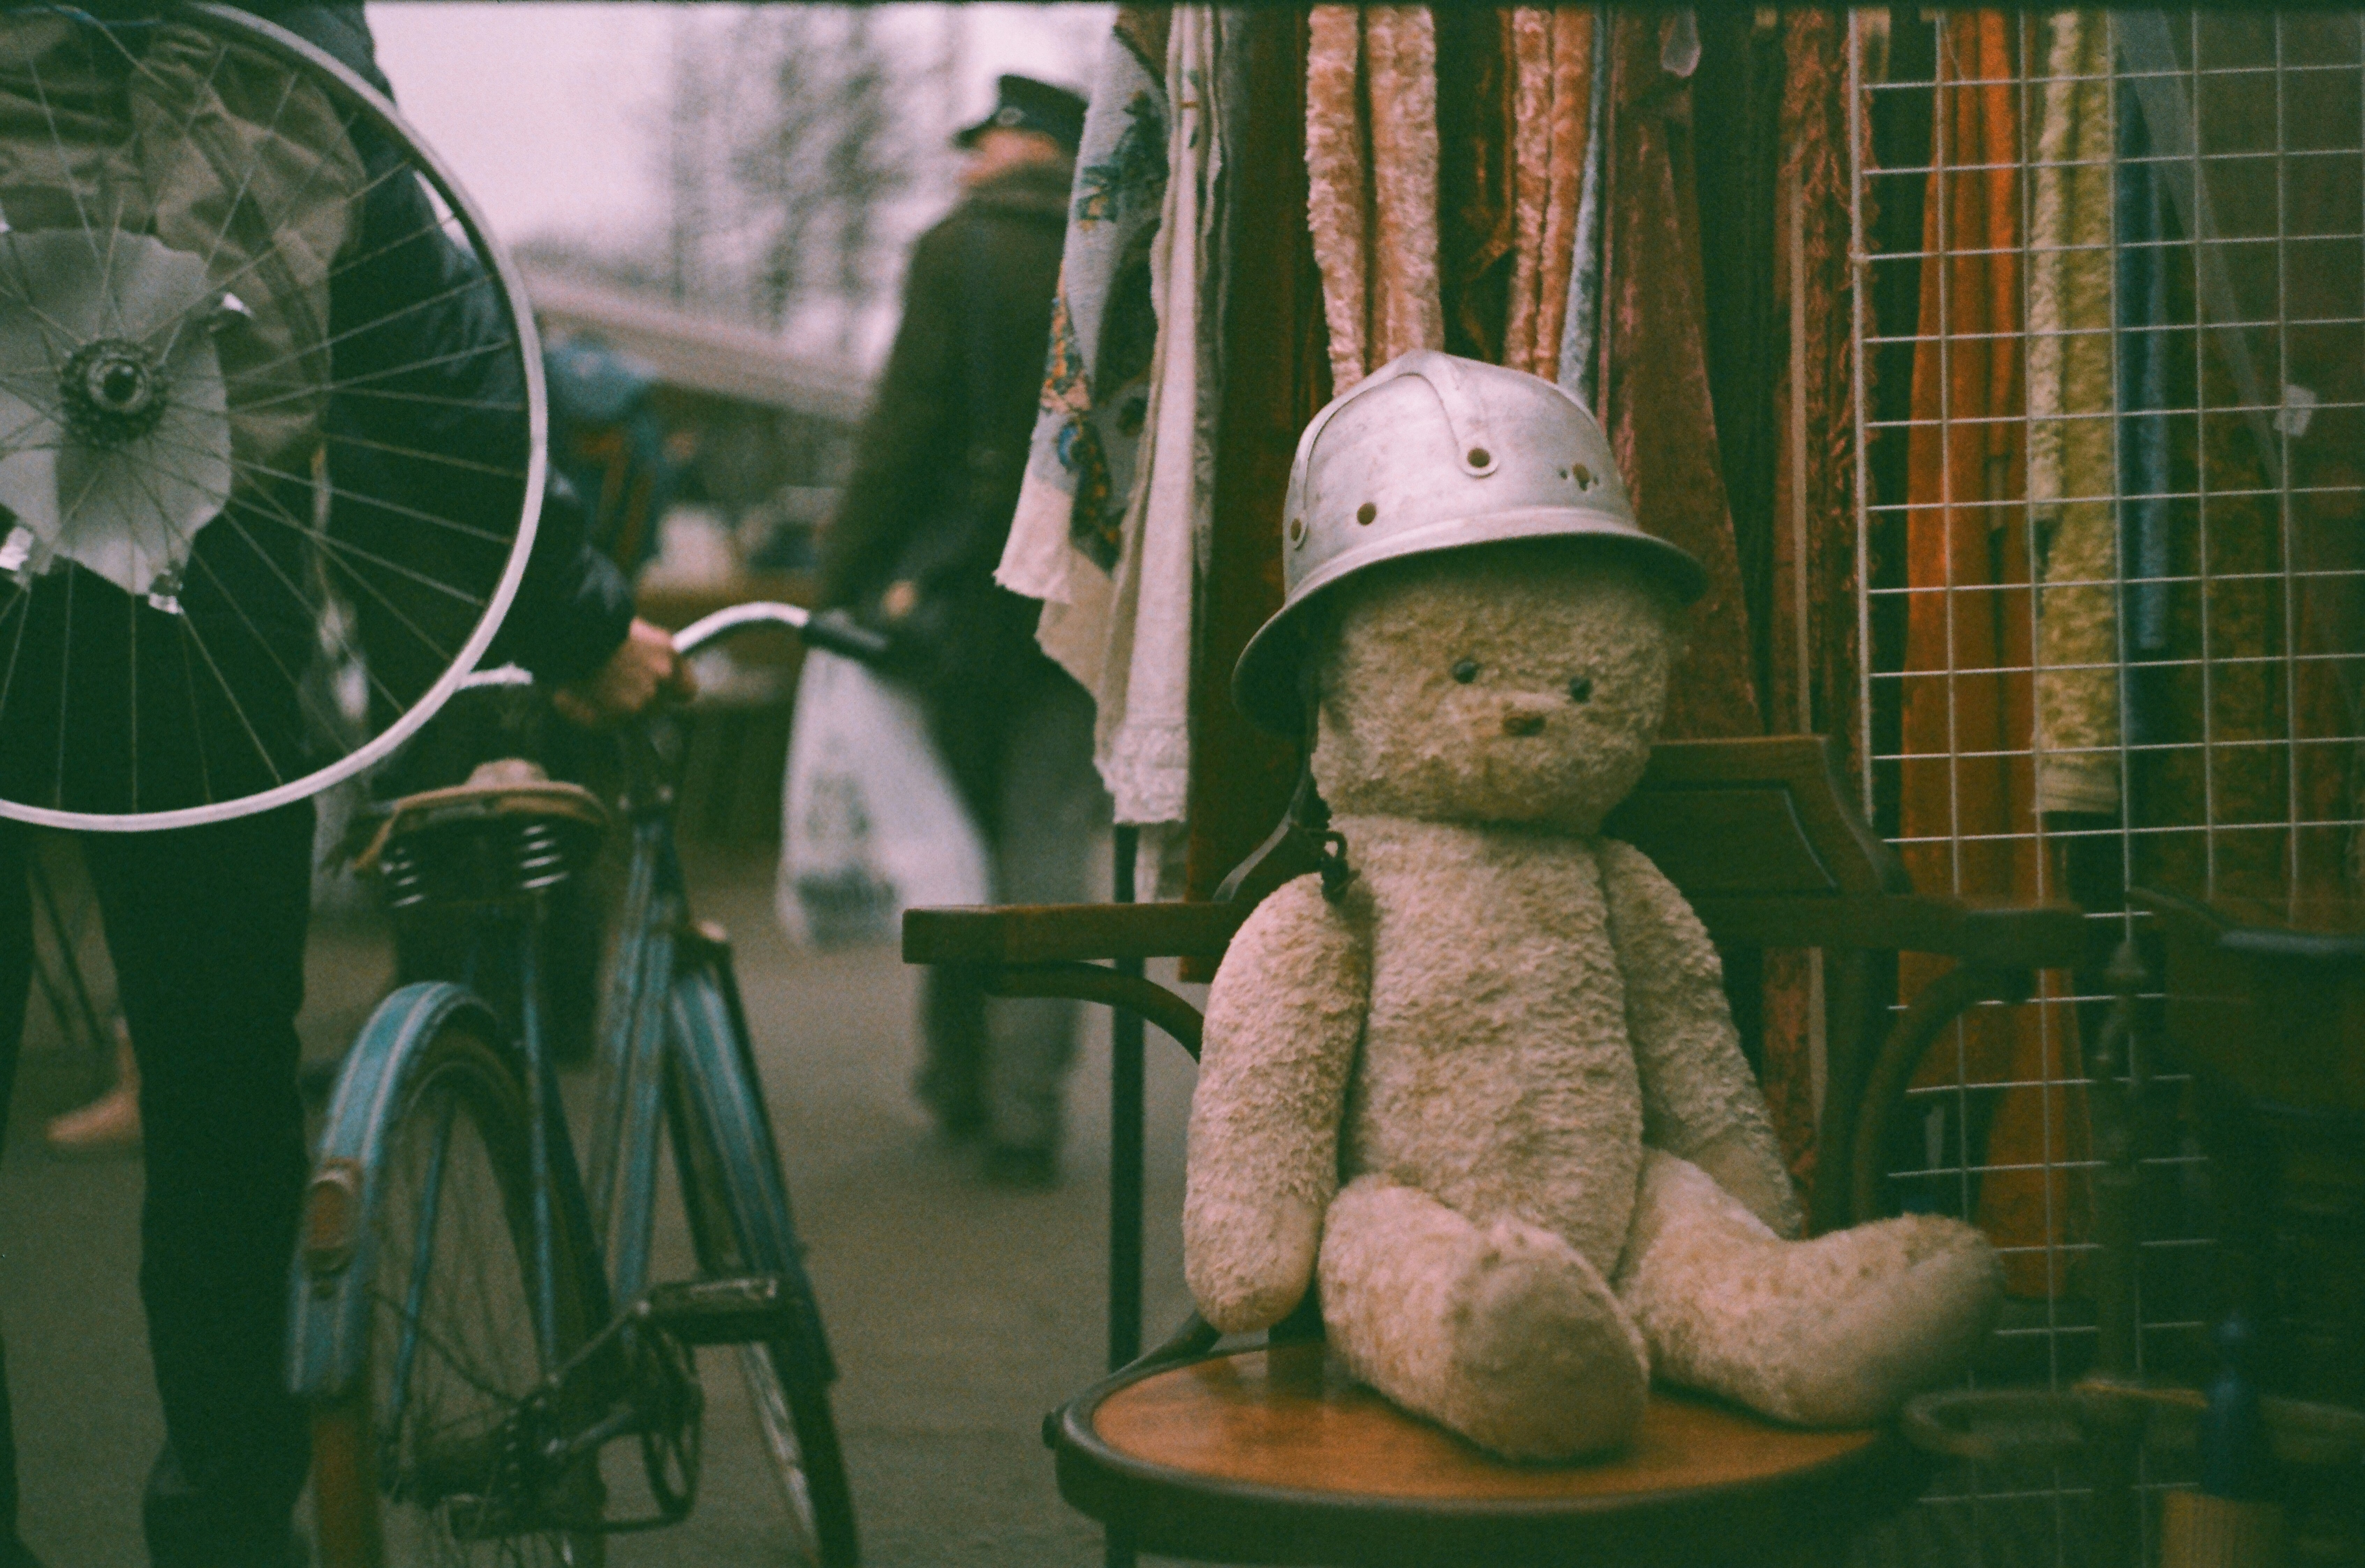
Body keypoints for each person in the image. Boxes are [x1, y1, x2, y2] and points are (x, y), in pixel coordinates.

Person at [0, 7, 687, 1565]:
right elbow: (436, 375)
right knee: (221, 1080)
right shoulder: (284, 43)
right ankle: (230, 1520)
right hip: (201, 587)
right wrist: (580, 624)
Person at [817, 74, 1106, 1189]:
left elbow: (906, 425)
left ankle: (956, 1079)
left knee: (957, 842)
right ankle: (1031, 1109)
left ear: (1024, 144)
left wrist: (842, 579)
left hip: (967, 598)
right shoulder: (1116, 250)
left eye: (982, 141)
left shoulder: (958, 249)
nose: (968, 160)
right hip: (1083, 588)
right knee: (1050, 845)